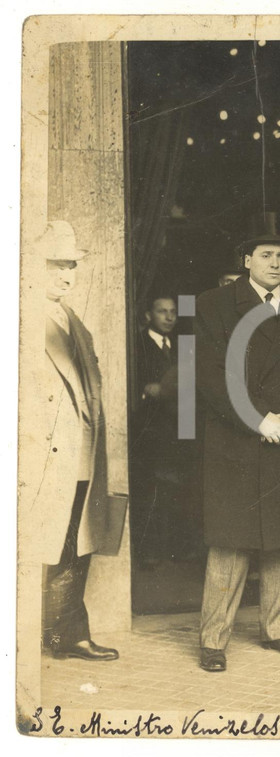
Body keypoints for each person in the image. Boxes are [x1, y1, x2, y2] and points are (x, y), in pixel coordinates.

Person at [194, 215, 280, 672]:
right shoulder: (214, 304)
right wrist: (258, 419)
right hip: (237, 439)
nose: (276, 263)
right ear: (247, 260)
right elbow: (212, 375)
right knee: (231, 542)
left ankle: (279, 629)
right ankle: (214, 640)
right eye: (267, 255)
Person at [31, 220, 126, 661]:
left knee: (74, 545)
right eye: (55, 265)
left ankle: (67, 635)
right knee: (45, 546)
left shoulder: (73, 321)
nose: (65, 275)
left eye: (70, 265)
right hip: (40, 460)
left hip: (80, 455)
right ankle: (40, 637)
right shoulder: (21, 319)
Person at [130, 293, 190, 567]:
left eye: (173, 312)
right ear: (147, 316)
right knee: (149, 489)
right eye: (161, 311)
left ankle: (177, 550)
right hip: (148, 428)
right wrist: (146, 390)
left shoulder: (182, 346)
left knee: (178, 487)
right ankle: (149, 551)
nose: (168, 317)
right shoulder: (136, 344)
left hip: (178, 426)